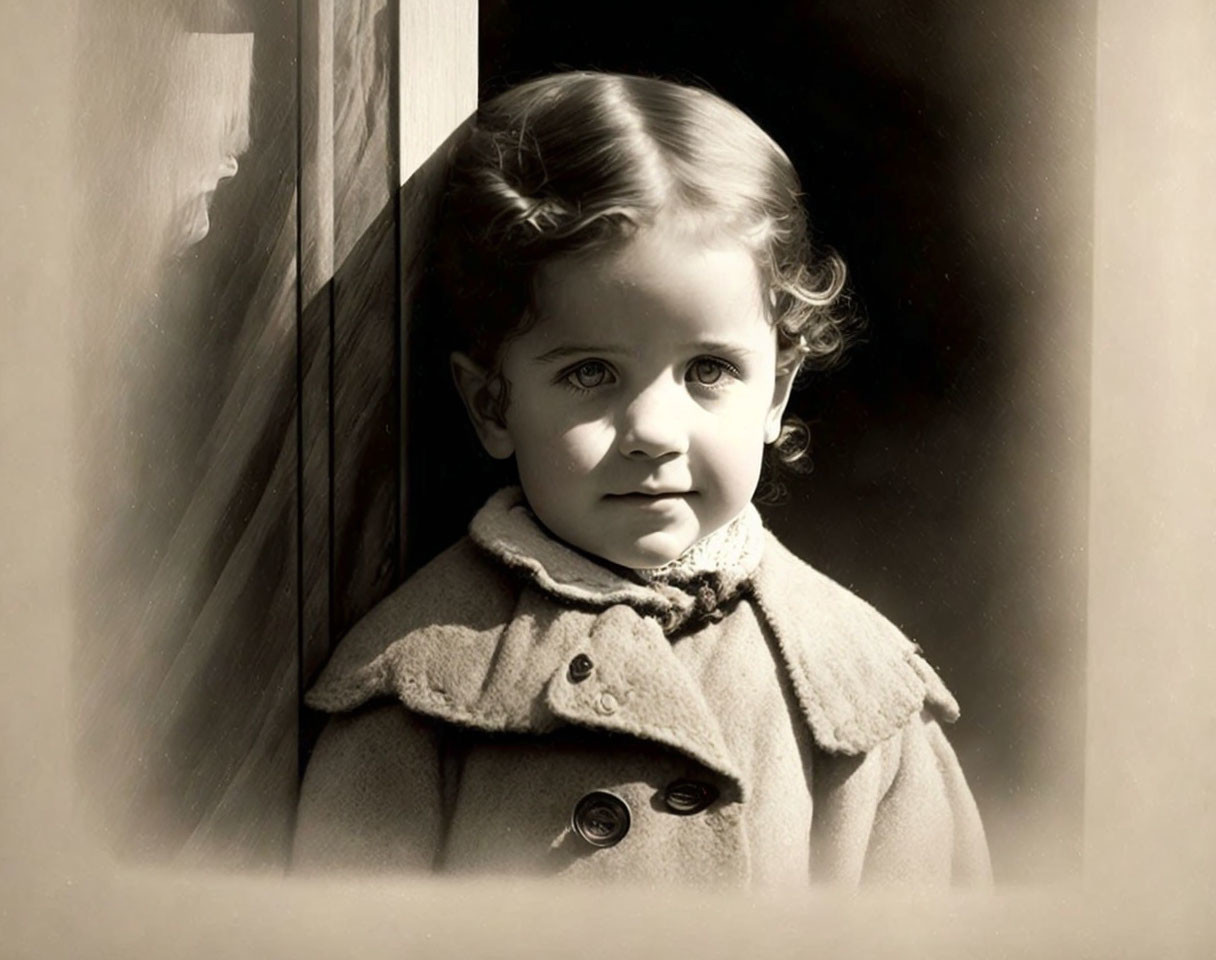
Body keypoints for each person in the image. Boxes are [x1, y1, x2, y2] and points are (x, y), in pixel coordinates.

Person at [292, 71, 991, 885]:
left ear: (775, 393)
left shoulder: (859, 693)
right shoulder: (420, 690)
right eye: (591, 373)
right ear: (492, 403)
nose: (654, 432)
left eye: (708, 370)